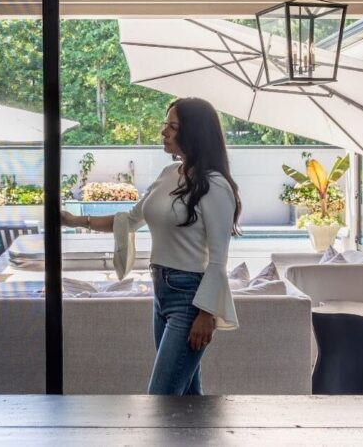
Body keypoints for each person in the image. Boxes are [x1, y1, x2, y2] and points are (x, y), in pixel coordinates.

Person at [61, 97, 242, 395]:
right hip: (162, 293)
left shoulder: (215, 186)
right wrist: (74, 220)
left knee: (161, 398)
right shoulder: (169, 174)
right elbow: (130, 220)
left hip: (190, 299)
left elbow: (218, 259)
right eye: (165, 124)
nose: (164, 132)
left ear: (194, 133)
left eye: (173, 127)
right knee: (186, 400)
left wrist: (206, 313)